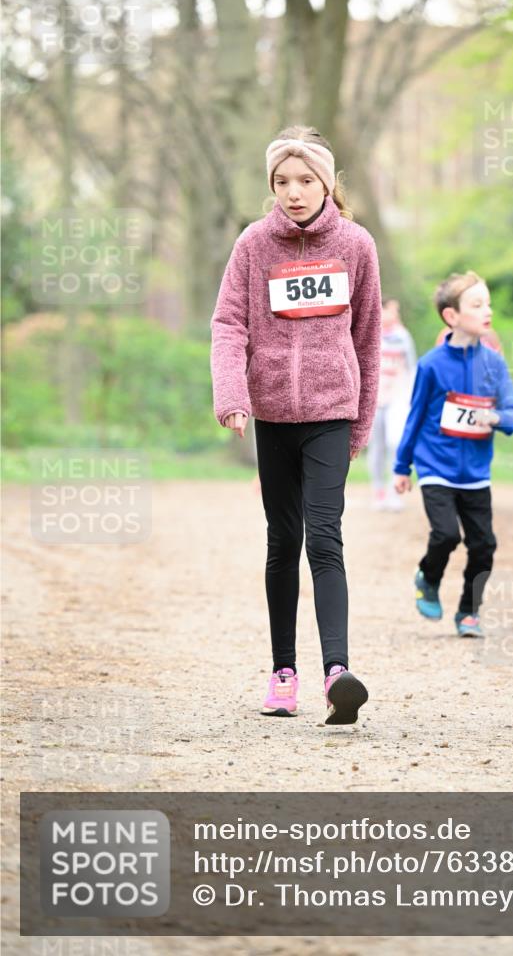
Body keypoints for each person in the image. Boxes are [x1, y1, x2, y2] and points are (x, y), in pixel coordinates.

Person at [210, 125, 381, 724]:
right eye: (282, 181)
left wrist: (361, 422)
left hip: (332, 411)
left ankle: (338, 672)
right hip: (274, 414)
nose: (294, 191)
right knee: (283, 541)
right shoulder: (253, 245)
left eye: (306, 180)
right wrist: (233, 393)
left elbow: (368, 337)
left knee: (325, 536)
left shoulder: (357, 245)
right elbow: (229, 323)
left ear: (328, 183)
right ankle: (284, 673)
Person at [393, 271, 513, 638]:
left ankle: (469, 611)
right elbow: (415, 416)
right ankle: (428, 577)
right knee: (447, 534)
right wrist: (402, 466)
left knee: (484, 545)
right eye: (477, 305)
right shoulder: (431, 365)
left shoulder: (493, 364)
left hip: (476, 473)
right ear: (452, 316)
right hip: (436, 467)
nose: (488, 311)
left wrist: (496, 416)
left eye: (489, 304)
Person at [367, 299, 416, 510]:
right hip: (375, 401)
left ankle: (394, 491)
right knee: (376, 448)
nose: (395, 313)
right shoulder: (370, 334)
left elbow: (412, 367)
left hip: (397, 399)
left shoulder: (403, 336)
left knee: (394, 443)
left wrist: (411, 397)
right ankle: (379, 491)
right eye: (392, 309)